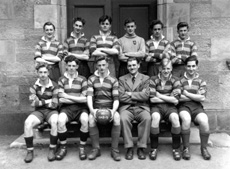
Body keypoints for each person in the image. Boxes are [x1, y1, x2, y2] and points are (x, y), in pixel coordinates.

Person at [87, 56, 121, 161]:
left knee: (117, 118)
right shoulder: (91, 79)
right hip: (96, 107)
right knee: (91, 119)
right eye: (99, 65)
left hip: (110, 107)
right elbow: (89, 96)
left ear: (107, 65)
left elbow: (116, 99)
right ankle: (96, 149)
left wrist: (113, 111)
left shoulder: (113, 80)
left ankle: (114, 150)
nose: (101, 67)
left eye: (103, 65)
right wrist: (92, 111)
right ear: (96, 66)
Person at [55, 55, 89, 161]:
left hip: (80, 108)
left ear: (77, 66)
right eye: (69, 65)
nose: (71, 68)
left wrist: (68, 96)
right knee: (60, 121)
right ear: (66, 66)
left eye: (73, 66)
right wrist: (76, 98)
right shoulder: (61, 79)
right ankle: (63, 147)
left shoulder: (83, 79)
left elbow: (84, 99)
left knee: (85, 120)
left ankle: (82, 147)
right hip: (66, 109)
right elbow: (61, 99)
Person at [24, 63, 59, 163]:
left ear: (48, 73)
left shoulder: (54, 85)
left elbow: (55, 104)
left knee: (54, 121)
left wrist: (40, 102)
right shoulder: (33, 87)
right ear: (37, 73)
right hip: (39, 112)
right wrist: (48, 101)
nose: (43, 74)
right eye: (40, 72)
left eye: (45, 72)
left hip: (51, 112)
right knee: (27, 123)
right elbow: (32, 103)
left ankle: (52, 149)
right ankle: (30, 151)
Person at [178, 55, 211, 160]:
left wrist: (187, 93)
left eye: (193, 66)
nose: (191, 69)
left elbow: (202, 98)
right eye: (189, 66)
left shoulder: (201, 81)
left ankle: (204, 148)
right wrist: (194, 96)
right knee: (186, 119)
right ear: (185, 67)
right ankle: (186, 148)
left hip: (197, 107)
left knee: (204, 121)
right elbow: (178, 98)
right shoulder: (179, 80)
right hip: (183, 107)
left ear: (197, 67)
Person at [149, 58, 181, 161]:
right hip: (156, 107)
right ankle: (153, 148)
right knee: (155, 117)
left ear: (171, 68)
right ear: (159, 68)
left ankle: (176, 149)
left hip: (170, 108)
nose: (166, 71)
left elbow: (176, 101)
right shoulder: (153, 79)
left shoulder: (175, 80)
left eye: (168, 68)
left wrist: (159, 95)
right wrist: (168, 97)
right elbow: (152, 100)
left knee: (175, 118)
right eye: (164, 68)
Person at [119, 57, 151, 160]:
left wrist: (130, 94)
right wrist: (138, 96)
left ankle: (141, 147)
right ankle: (129, 147)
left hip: (142, 107)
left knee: (147, 118)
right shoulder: (122, 79)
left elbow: (146, 95)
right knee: (123, 118)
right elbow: (121, 96)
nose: (132, 67)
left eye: (134, 65)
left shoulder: (145, 78)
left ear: (138, 65)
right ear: (127, 67)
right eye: (129, 65)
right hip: (127, 108)